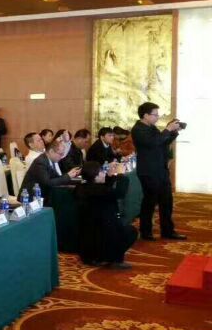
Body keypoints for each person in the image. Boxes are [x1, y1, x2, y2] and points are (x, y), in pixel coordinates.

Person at [131, 102, 185, 241]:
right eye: (155, 115)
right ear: (145, 115)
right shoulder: (138, 129)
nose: (157, 117)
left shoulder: (152, 127)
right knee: (150, 202)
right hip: (148, 171)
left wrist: (173, 132)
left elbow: (162, 142)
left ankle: (168, 231)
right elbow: (153, 143)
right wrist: (167, 129)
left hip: (160, 169)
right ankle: (146, 232)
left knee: (167, 201)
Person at [75, 161, 137, 268]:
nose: (103, 173)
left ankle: (98, 257)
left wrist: (110, 176)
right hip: (105, 231)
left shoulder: (82, 187)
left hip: (90, 234)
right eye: (101, 172)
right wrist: (121, 175)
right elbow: (119, 192)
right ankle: (113, 259)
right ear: (95, 176)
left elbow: (104, 188)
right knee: (131, 231)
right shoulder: (99, 191)